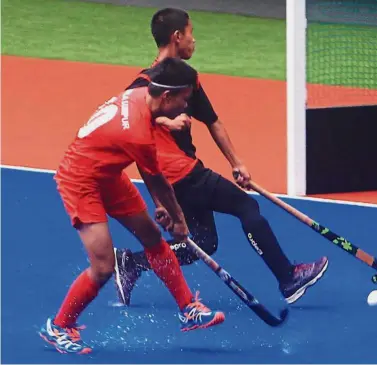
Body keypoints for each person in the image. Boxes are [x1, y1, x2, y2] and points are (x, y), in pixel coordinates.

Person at [113, 8, 328, 308]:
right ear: (177, 37)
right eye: (190, 33)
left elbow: (212, 121)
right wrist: (165, 123)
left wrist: (236, 162)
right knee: (246, 206)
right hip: (180, 174)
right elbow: (125, 112)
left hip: (180, 175)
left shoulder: (188, 79)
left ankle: (132, 263)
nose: (194, 40)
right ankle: (288, 277)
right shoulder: (146, 82)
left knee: (203, 243)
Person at [38, 58, 225, 355]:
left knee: (152, 238)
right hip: (81, 181)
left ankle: (188, 308)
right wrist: (179, 220)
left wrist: (160, 208)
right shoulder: (136, 132)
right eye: (185, 99)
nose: (187, 105)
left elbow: (147, 166)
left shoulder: (141, 96)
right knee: (103, 267)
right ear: (167, 96)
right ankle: (59, 327)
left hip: (108, 174)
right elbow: (157, 178)